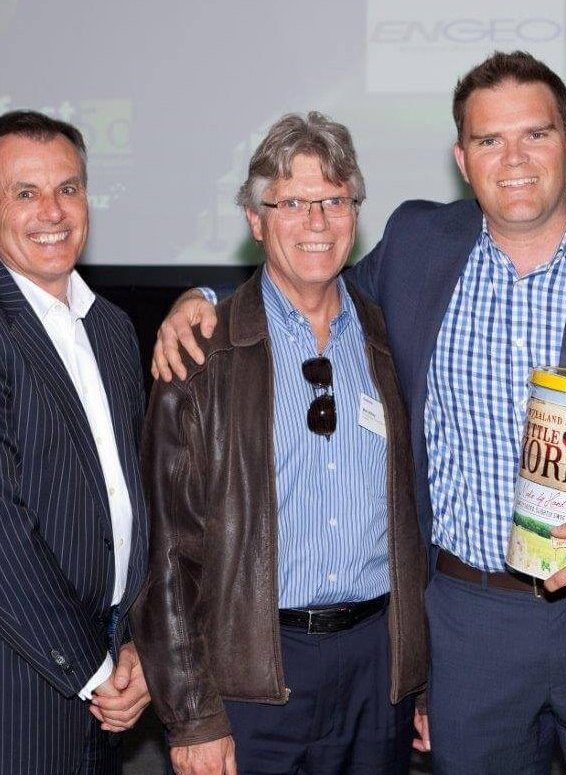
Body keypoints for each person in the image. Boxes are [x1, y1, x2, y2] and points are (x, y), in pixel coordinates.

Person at [149, 53, 566, 774]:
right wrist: (202, 299)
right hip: (470, 629)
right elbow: (309, 278)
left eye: (535, 134)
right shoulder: (419, 248)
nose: (513, 159)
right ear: (461, 158)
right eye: (488, 140)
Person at [133, 112, 428, 775]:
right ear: (256, 220)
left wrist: (419, 675)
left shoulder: (389, 341)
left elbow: (420, 514)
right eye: (292, 202)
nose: (317, 221)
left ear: (355, 214)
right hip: (251, 672)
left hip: (376, 667)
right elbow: (168, 554)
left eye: (334, 200)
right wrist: (193, 715)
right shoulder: (200, 357)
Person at [0, 110, 151, 775]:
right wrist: (94, 668)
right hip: (7, 687)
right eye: (25, 192)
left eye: (68, 188)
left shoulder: (113, 329)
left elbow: (134, 503)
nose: (52, 211)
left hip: (109, 678)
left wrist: (138, 647)